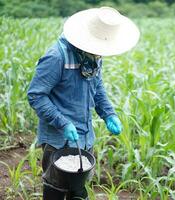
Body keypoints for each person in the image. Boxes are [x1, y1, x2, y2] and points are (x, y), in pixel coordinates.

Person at [27, 7, 140, 200]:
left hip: (85, 135)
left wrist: (108, 114)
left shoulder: (94, 55)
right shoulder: (57, 57)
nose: (99, 52)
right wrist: (62, 122)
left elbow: (97, 87)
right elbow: (36, 96)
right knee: (55, 188)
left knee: (78, 188)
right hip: (59, 138)